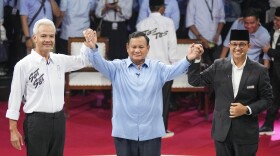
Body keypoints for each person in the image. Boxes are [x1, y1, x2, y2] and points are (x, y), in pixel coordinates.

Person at [82, 29, 203, 156]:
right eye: (134, 47)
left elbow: (175, 70)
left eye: (141, 47)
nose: (137, 50)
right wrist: (93, 48)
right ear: (127, 48)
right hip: (124, 133)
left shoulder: (157, 68)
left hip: (151, 132)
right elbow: (99, 63)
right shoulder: (116, 68)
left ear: (148, 48)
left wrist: (189, 58)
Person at [6, 18, 89, 156]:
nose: (48, 39)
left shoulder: (59, 60)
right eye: (43, 36)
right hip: (36, 123)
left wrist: (88, 44)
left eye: (51, 36)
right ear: (34, 38)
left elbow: (82, 61)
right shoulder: (23, 65)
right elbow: (14, 98)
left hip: (59, 121)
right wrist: (12, 129)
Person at [188, 29, 273, 156]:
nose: (237, 48)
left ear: (248, 46)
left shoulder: (259, 70)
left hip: (246, 135)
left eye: (241, 44)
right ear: (229, 45)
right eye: (234, 44)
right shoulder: (218, 66)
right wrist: (195, 59)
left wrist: (246, 109)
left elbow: (267, 99)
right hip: (222, 133)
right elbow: (195, 80)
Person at [136, 0, 178, 138]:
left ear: (149, 8)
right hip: (164, 68)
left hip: (146, 68)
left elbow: (138, 49)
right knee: (164, 101)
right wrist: (175, 65)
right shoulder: (169, 22)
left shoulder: (141, 25)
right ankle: (161, 130)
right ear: (162, 8)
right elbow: (172, 45)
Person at [259, 7, 280, 135]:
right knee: (272, 99)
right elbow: (261, 26)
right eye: (275, 19)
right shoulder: (273, 30)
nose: (275, 22)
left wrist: (269, 51)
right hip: (275, 72)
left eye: (278, 20)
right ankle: (268, 126)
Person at [186, 0, 225, 66]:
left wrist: (217, 34)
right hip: (197, 42)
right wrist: (201, 38)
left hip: (215, 41)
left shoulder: (219, 1)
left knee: (216, 68)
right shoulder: (193, 1)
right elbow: (190, 23)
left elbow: (222, 19)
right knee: (198, 69)